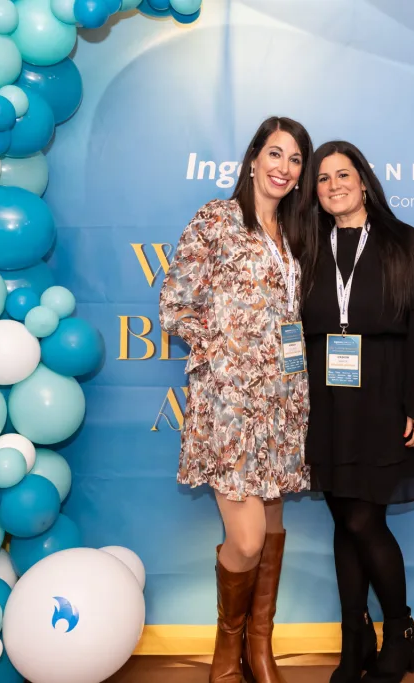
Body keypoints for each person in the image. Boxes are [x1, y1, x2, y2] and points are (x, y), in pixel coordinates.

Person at [159, 116, 315, 683]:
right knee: (245, 541)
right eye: (275, 153)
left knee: (271, 524)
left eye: (295, 160)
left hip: (284, 399)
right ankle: (228, 643)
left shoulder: (297, 232)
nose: (283, 168)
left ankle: (259, 646)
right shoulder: (216, 219)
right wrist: (225, 348)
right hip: (229, 403)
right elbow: (174, 303)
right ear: (253, 159)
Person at [300, 140, 414, 683]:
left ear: (364, 182)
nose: (333, 185)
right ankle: (354, 639)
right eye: (323, 178)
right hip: (327, 400)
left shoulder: (402, 241)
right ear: (314, 192)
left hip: (386, 397)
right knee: (345, 519)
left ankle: (400, 629)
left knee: (365, 519)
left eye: (343, 174)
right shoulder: (306, 245)